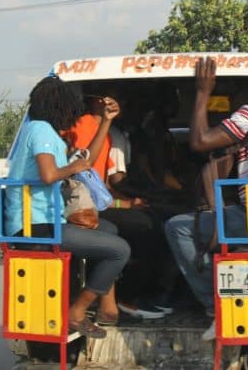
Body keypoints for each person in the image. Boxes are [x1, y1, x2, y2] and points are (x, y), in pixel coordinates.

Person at [165, 57, 248, 341]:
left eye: (232, 89)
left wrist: (202, 92)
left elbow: (199, 141)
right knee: (215, 220)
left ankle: (216, 308)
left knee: (177, 227)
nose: (229, 97)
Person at [4, 76, 131, 339]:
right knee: (120, 251)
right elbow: (50, 175)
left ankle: (103, 303)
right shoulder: (42, 130)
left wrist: (106, 121)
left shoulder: (39, 130)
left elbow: (86, 161)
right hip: (36, 226)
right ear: (60, 106)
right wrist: (72, 168)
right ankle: (78, 310)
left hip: (44, 221)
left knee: (110, 230)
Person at [62, 85, 168, 320]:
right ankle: (127, 298)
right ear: (100, 100)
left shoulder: (106, 132)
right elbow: (80, 179)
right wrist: (125, 205)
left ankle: (133, 297)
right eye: (118, 97)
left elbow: (105, 185)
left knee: (150, 220)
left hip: (97, 202)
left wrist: (130, 202)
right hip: (81, 206)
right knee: (144, 228)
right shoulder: (80, 127)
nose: (123, 104)